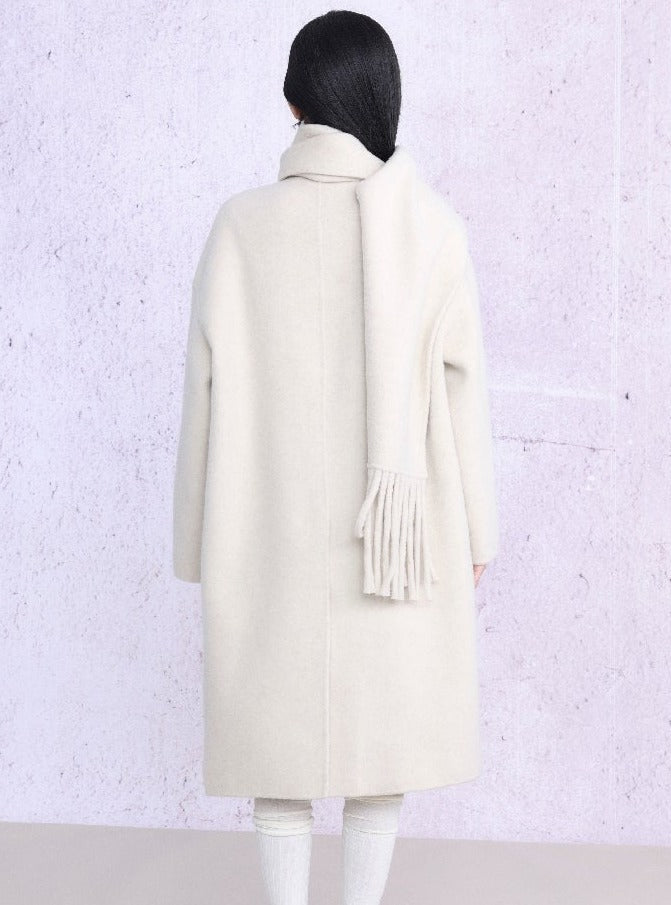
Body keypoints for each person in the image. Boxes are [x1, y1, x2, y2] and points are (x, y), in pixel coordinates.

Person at [172, 10, 499, 905]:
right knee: (378, 753)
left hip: (264, 527)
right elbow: (463, 388)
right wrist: (477, 530)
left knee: (276, 760)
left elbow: (202, 389)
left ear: (292, 101)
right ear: (383, 100)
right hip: (393, 537)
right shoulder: (430, 228)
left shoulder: (239, 227)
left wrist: (194, 538)